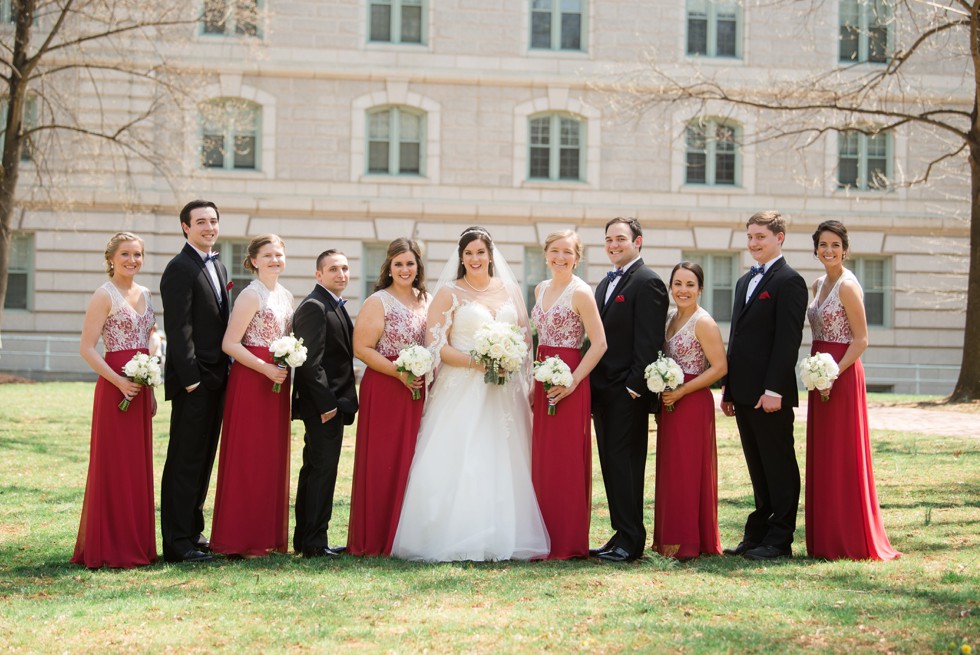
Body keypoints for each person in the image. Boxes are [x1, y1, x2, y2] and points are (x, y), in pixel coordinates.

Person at [391, 226, 550, 562]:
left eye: (480, 252)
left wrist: (510, 360)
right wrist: (476, 362)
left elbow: (524, 338)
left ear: (490, 255)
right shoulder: (449, 292)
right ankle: (454, 534)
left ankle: (503, 534)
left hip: (504, 393)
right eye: (468, 254)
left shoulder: (509, 290)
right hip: (461, 387)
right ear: (461, 258)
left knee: (503, 458)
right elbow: (436, 346)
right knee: (462, 456)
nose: (475, 259)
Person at [805, 221, 900, 561]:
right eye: (822, 245)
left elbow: (861, 340)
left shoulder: (847, 286)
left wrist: (834, 373)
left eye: (834, 245)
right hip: (820, 377)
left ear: (845, 249)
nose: (828, 250)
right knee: (823, 453)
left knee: (843, 453)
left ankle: (849, 537)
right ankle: (824, 538)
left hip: (841, 376)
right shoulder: (817, 284)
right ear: (815, 249)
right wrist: (817, 373)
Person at [721, 210, 808, 561]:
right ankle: (757, 534)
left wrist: (774, 389)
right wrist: (728, 388)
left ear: (779, 238)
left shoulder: (790, 281)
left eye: (761, 237)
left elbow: (788, 341)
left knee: (779, 465)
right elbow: (736, 338)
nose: (754, 243)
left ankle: (779, 540)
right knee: (757, 467)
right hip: (742, 392)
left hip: (770, 395)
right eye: (750, 237)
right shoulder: (745, 281)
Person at [72, 233, 158, 569]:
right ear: (111, 258)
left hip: (140, 387)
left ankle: (135, 542)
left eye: (137, 255)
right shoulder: (103, 295)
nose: (132, 261)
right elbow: (87, 348)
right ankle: (109, 545)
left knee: (136, 467)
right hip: (114, 388)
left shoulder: (147, 294)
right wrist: (119, 381)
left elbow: (150, 332)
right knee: (115, 465)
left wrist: (150, 378)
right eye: (125, 254)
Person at [590, 217, 669, 563]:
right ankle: (621, 533)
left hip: (627, 394)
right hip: (602, 392)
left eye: (620, 239)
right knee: (611, 464)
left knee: (626, 465)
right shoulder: (603, 285)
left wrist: (634, 390)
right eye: (608, 240)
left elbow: (649, 342)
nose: (613, 245)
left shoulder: (648, 282)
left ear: (638, 242)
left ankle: (632, 540)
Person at [210, 235, 293, 557]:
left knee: (270, 456)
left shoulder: (285, 295)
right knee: (249, 456)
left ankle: (266, 535)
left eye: (279, 255)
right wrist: (264, 369)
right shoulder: (250, 294)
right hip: (252, 380)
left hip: (278, 381)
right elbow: (230, 344)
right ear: (254, 261)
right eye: (268, 255)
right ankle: (240, 538)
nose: (274, 260)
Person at [347, 238, 430, 557]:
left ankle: (406, 536)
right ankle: (377, 537)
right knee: (383, 461)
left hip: (419, 389)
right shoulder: (378, 301)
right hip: (385, 387)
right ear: (389, 267)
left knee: (414, 460)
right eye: (398, 264)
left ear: (418, 266)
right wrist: (399, 372)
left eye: (410, 263)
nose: (405, 269)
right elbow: (362, 349)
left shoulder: (428, 299)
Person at [160, 200, 230, 563]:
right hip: (194, 383)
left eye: (213, 221)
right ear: (185, 227)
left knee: (203, 460)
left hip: (218, 379)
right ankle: (176, 542)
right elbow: (179, 328)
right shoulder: (179, 268)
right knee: (184, 461)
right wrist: (190, 381)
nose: (208, 226)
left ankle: (193, 530)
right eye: (200, 221)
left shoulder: (217, 263)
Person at [530, 230, 606, 560]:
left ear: (577, 257)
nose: (560, 257)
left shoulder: (581, 293)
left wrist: (573, 382)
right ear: (545, 254)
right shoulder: (540, 288)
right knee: (543, 459)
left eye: (567, 252)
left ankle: (567, 540)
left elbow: (599, 344)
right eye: (555, 251)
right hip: (541, 376)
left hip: (571, 378)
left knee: (566, 459)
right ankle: (540, 535)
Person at [652, 262, 727, 559]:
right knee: (671, 470)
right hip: (670, 403)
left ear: (700, 289)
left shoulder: (703, 322)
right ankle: (668, 538)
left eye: (690, 285)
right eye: (678, 284)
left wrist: (682, 391)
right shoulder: (669, 318)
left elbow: (720, 367)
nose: (683, 290)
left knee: (688, 470)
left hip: (692, 402)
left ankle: (688, 540)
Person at [292, 249, 358, 558]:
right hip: (324, 407)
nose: (341, 274)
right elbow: (309, 363)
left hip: (333, 404)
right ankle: (315, 543)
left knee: (315, 470)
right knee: (322, 472)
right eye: (333, 269)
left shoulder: (334, 304)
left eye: (344, 268)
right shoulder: (314, 306)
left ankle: (306, 539)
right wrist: (327, 405)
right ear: (319, 274)